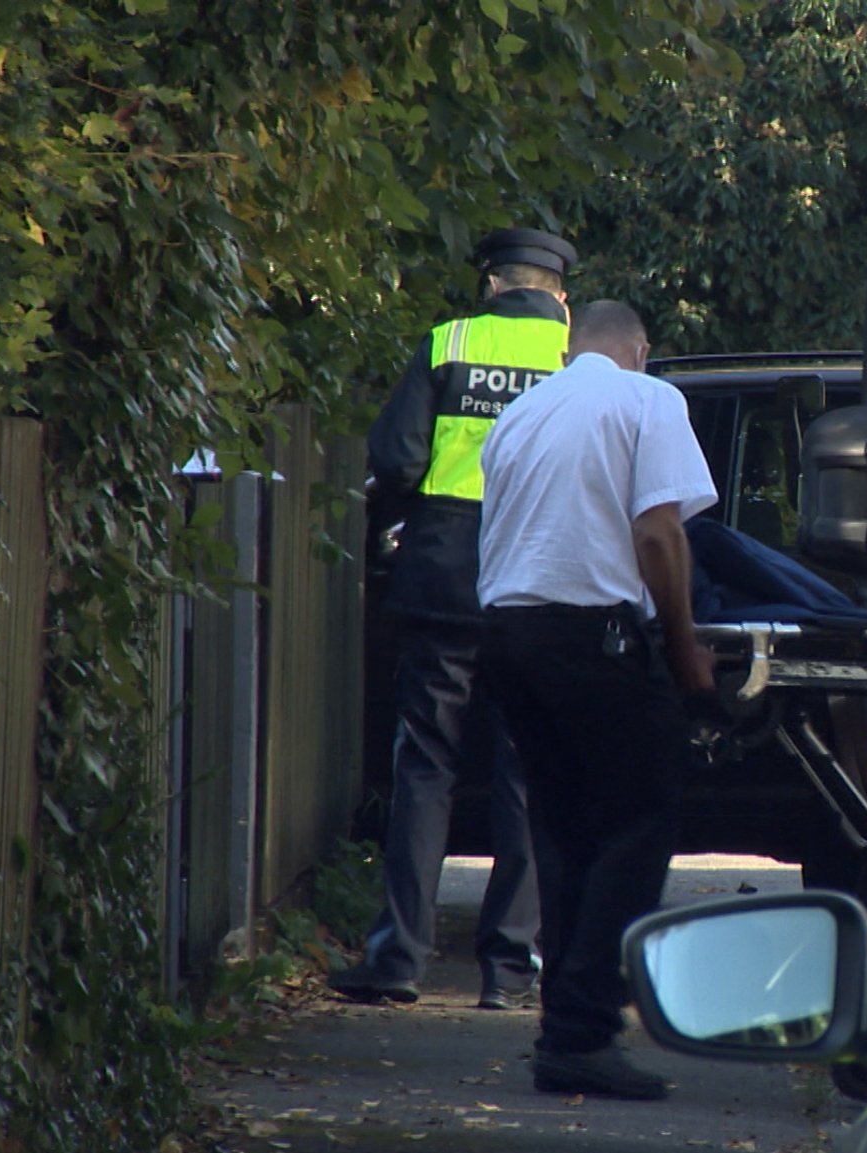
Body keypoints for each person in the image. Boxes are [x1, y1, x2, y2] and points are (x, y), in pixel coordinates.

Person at [475, 300, 719, 1101]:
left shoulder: (518, 414)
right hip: (594, 638)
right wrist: (684, 650)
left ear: (572, 347)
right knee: (637, 822)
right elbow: (657, 535)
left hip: (509, 636)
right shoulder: (647, 399)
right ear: (639, 350)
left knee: (565, 829)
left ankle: (564, 1031)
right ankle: (583, 1031)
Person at [329, 227, 577, 1011]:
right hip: (538, 584)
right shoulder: (577, 363)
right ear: (559, 293)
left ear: (494, 284)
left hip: (446, 578)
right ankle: (508, 970)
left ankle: (398, 957)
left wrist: (411, 520)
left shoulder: (449, 342)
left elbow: (397, 458)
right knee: (528, 773)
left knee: (425, 767)